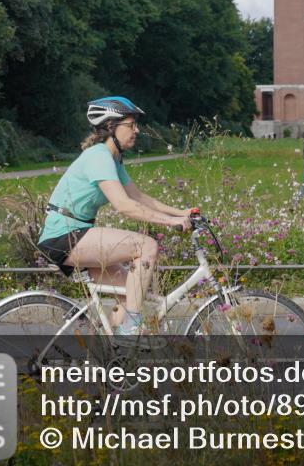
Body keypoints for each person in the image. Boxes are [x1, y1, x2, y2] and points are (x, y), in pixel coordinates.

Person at [37, 96, 196, 336]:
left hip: (77, 233)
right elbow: (124, 205)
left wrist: (180, 212)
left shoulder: (113, 158)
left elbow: (138, 197)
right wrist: (170, 222)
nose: (136, 130)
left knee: (130, 292)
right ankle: (132, 328)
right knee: (146, 247)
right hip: (65, 236)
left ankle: (111, 351)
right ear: (111, 127)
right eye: (131, 125)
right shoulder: (98, 156)